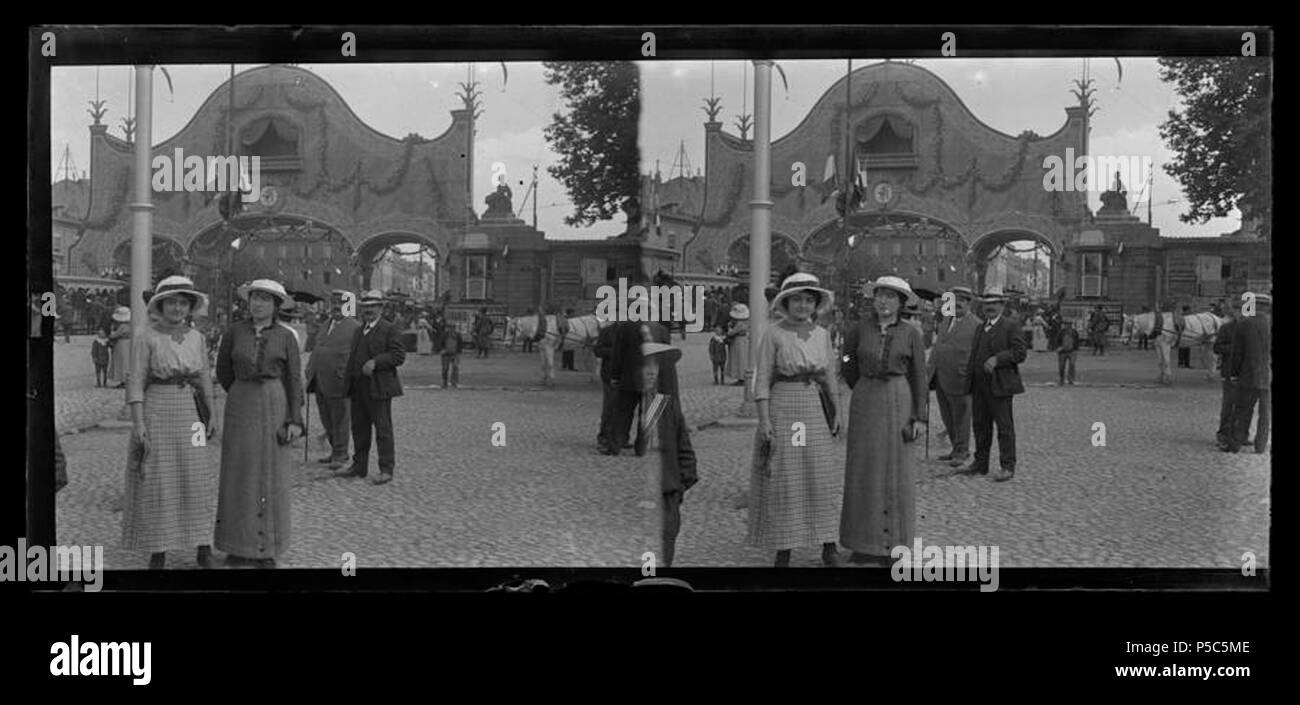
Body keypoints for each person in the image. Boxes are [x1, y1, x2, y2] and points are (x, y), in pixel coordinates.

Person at [121, 276, 218, 570]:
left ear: (190, 307)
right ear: (160, 305)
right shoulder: (146, 336)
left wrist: (212, 413)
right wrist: (139, 426)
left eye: (183, 303)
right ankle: (158, 550)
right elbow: (135, 382)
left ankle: (203, 546)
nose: (177, 308)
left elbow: (203, 377)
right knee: (159, 479)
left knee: (197, 475)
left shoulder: (197, 337)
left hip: (191, 413)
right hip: (157, 409)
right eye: (172, 302)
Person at [748, 273, 841, 568]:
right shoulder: (774, 333)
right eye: (797, 299)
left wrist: (837, 411)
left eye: (809, 300)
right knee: (786, 475)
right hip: (784, 406)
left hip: (813, 407)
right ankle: (784, 548)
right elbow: (762, 379)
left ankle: (828, 545)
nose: (803, 305)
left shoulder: (822, 334)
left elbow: (828, 376)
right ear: (786, 302)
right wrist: (764, 422)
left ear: (816, 305)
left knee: (819, 473)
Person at [215, 279, 303, 568]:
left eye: (266, 299)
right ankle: (237, 547)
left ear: (276, 305)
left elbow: (293, 379)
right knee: (238, 475)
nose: (258, 304)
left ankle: (267, 549)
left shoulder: (286, 336)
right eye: (255, 298)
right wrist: (244, 393)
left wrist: (293, 419)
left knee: (271, 475)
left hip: (275, 402)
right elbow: (223, 371)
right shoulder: (234, 332)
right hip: (241, 404)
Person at [840, 276, 926, 565]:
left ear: (901, 303)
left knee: (896, 471)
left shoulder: (912, 333)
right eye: (880, 295)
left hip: (900, 398)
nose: (884, 301)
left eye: (891, 297)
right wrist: (863, 386)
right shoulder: (859, 329)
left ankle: (894, 545)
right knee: (863, 470)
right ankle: (862, 544)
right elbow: (847, 361)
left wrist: (918, 417)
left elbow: (919, 376)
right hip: (866, 400)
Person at [637, 340, 697, 568]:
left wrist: (679, 486)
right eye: (644, 366)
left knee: (665, 546)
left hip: (666, 491)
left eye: (655, 366)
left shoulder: (665, 405)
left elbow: (685, 449)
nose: (650, 371)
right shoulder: (624, 409)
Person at [336, 290, 405, 485]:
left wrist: (376, 362)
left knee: (383, 429)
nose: (369, 311)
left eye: (373, 307)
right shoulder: (359, 330)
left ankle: (386, 469)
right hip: (358, 387)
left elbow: (399, 356)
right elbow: (353, 358)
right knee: (359, 428)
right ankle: (359, 466)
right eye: (365, 307)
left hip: (379, 387)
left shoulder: (389, 329)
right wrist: (347, 383)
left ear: (381, 308)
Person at [961, 286, 1027, 482]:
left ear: (1002, 305)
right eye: (986, 304)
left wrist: (998, 359)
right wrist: (968, 383)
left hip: (1000, 385)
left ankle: (1007, 466)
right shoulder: (980, 327)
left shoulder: (1010, 326)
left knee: (1004, 427)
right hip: (980, 385)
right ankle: (980, 464)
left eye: (994, 304)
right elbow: (974, 356)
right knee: (980, 425)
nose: (989, 308)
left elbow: (1020, 353)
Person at [306, 291, 360, 472]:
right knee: (326, 418)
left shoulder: (354, 327)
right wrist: (310, 367)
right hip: (319, 379)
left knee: (340, 419)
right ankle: (333, 448)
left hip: (339, 381)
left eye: (341, 303)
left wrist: (346, 372)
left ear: (349, 305)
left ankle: (341, 453)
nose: (337, 306)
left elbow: (357, 355)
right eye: (334, 302)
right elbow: (318, 347)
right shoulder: (325, 325)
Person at [929, 285, 979, 468]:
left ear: (968, 304)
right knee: (947, 416)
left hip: (961, 378)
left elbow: (978, 354)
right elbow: (938, 346)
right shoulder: (945, 320)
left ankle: (962, 451)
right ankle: (954, 447)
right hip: (941, 376)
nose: (957, 306)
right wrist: (929, 369)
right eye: (954, 301)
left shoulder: (976, 325)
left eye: (961, 303)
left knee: (961, 417)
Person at [1226, 294, 1270, 454]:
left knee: (1242, 410)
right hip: (1268, 376)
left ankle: (1235, 444)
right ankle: (1260, 446)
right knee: (1265, 413)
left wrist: (1234, 373)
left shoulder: (1244, 324)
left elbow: (1237, 354)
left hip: (1248, 375)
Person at [1214, 306, 1239, 451]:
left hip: (1245, 373)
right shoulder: (1226, 328)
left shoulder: (1249, 328)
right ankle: (1223, 434)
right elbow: (1217, 348)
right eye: (1239, 311)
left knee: (1243, 406)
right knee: (1228, 405)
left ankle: (1240, 434)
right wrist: (1235, 348)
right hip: (1229, 372)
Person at [724, 304, 751, 386]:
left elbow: (731, 333)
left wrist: (729, 328)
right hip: (745, 340)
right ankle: (742, 377)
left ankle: (741, 377)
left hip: (738, 341)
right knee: (743, 359)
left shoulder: (740, 323)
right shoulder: (748, 321)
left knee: (739, 359)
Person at [108, 307, 132, 388]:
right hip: (129, 343)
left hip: (121, 344)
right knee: (127, 362)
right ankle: (126, 380)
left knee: (122, 362)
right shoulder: (132, 324)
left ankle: (123, 380)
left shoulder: (122, 326)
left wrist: (111, 334)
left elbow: (114, 335)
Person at [439, 317, 464, 389]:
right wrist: (442, 350)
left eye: (453, 327)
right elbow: (440, 343)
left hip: (455, 354)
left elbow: (460, 344)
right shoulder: (444, 335)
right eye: (450, 327)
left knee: (455, 367)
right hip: (446, 354)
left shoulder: (457, 335)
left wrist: (458, 352)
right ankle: (444, 382)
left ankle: (454, 382)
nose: (451, 328)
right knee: (445, 369)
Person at [1058, 319, 1080, 385]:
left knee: (1072, 365)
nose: (1068, 326)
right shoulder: (1061, 332)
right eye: (1066, 324)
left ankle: (1071, 379)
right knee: (1061, 366)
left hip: (1072, 351)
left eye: (1069, 324)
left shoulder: (1074, 332)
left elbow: (1077, 341)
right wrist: (1058, 347)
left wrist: (1075, 349)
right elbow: (1057, 340)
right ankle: (1061, 379)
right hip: (1062, 351)